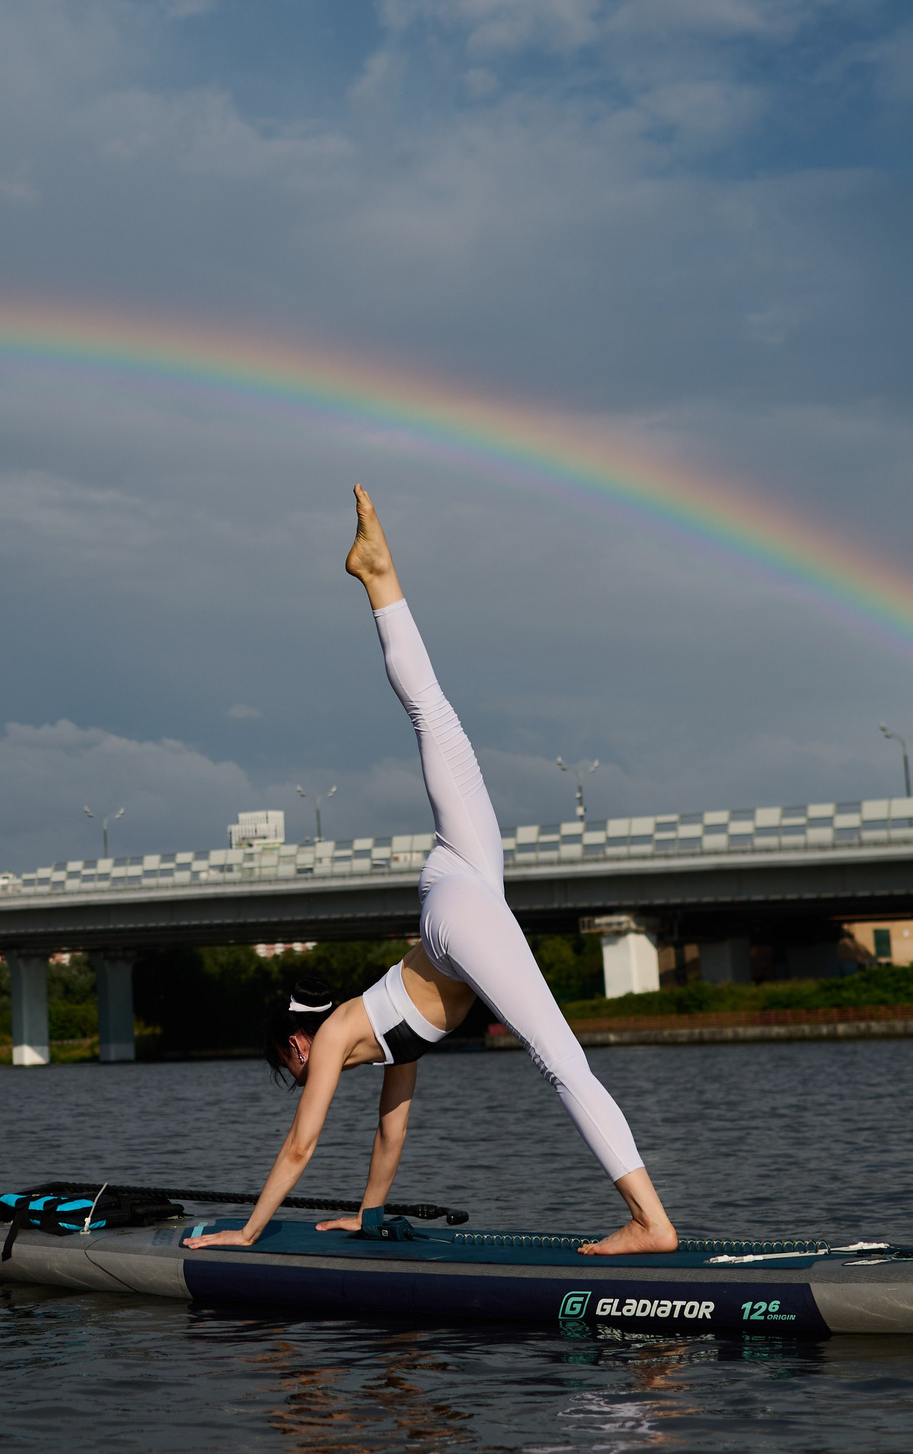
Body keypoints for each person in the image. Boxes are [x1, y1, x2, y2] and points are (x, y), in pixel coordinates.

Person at [184, 486, 679, 1257]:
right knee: (435, 717)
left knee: (560, 1057)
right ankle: (377, 573)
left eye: (287, 1056)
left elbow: (300, 1146)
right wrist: (369, 1215)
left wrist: (246, 1232)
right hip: (465, 882)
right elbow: (391, 1131)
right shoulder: (383, 1041)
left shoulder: (344, 1027)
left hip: (455, 916)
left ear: (296, 1042)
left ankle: (651, 1221)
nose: (296, 1069)